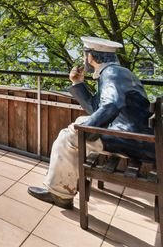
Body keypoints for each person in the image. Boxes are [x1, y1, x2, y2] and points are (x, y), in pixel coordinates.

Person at [28, 36, 154, 209]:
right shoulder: (119, 72)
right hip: (141, 136)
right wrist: (78, 84)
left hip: (131, 138)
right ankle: (64, 181)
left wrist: (86, 130)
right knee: (78, 125)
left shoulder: (111, 74)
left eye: (84, 55)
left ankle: (59, 194)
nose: (84, 59)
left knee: (68, 138)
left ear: (91, 56)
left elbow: (111, 104)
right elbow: (97, 109)